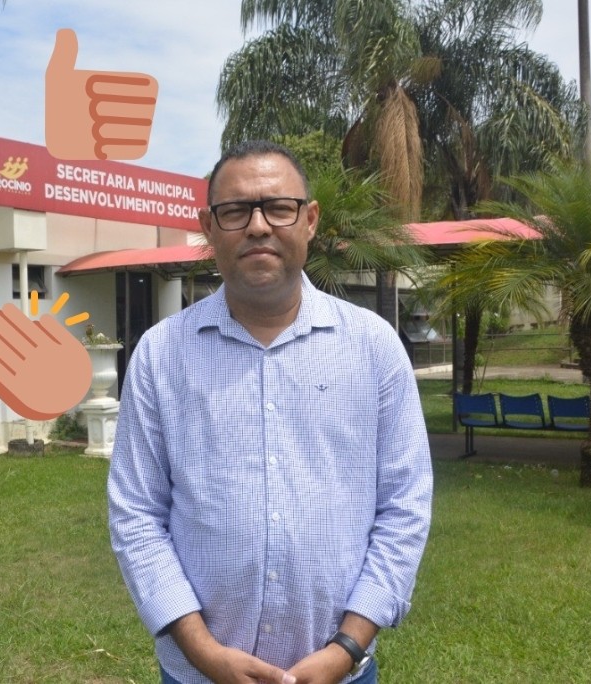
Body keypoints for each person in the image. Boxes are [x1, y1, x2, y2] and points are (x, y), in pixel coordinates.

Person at [107, 140, 433, 684]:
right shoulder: (161, 354)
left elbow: (405, 506)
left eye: (278, 207)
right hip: (196, 674)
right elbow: (136, 514)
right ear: (208, 229)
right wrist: (203, 652)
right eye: (234, 211)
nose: (258, 226)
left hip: (343, 671)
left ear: (309, 220)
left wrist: (346, 646)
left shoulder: (373, 347)